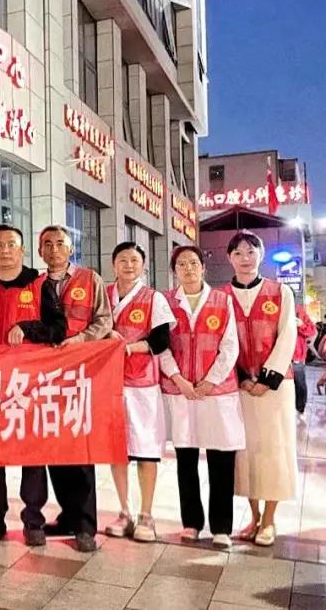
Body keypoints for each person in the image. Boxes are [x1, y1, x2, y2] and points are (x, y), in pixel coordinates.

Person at [0, 224, 67, 548]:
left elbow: (59, 328)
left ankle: (33, 520)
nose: (5, 249)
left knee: (33, 451)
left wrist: (27, 327)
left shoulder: (40, 284)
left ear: (23, 250)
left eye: (11, 244)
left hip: (29, 384)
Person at [160, 245, 243, 547]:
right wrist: (178, 378)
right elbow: (161, 346)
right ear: (175, 270)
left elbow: (230, 346)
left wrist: (210, 381)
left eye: (194, 263)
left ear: (203, 267)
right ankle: (191, 523)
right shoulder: (166, 302)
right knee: (186, 459)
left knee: (221, 459)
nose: (189, 269)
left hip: (217, 393)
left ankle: (221, 527)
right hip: (181, 391)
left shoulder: (222, 300)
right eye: (182, 264)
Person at [221, 231, 298, 548]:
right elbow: (222, 341)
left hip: (275, 389)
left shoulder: (280, 292)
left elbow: (288, 335)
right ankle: (253, 517)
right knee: (246, 452)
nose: (245, 258)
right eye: (238, 253)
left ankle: (269, 520)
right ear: (229, 258)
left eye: (251, 251)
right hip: (238, 386)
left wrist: (268, 378)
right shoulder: (222, 296)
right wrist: (241, 376)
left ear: (261, 255)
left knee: (274, 449)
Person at [37, 225, 111, 553]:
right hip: (46, 377)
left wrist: (80, 340)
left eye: (60, 244)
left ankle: (84, 525)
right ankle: (67, 515)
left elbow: (104, 320)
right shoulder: (36, 284)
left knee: (81, 450)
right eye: (47, 244)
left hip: (82, 374)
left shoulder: (90, 279)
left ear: (70, 249)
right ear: (40, 251)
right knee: (54, 447)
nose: (54, 249)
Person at [103, 242, 175, 543]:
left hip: (143, 385)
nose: (128, 265)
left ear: (143, 266)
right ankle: (125, 511)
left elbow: (161, 340)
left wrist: (127, 348)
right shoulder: (104, 294)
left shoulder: (153, 298)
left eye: (134, 260)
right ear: (113, 265)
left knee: (145, 451)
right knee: (117, 450)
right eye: (122, 260)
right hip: (109, 383)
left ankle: (146, 514)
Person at [293, 305, 316, 418]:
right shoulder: (274, 309)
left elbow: (311, 331)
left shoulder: (299, 311)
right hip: (279, 356)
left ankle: (300, 409)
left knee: (299, 384)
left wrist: (301, 324)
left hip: (297, 357)